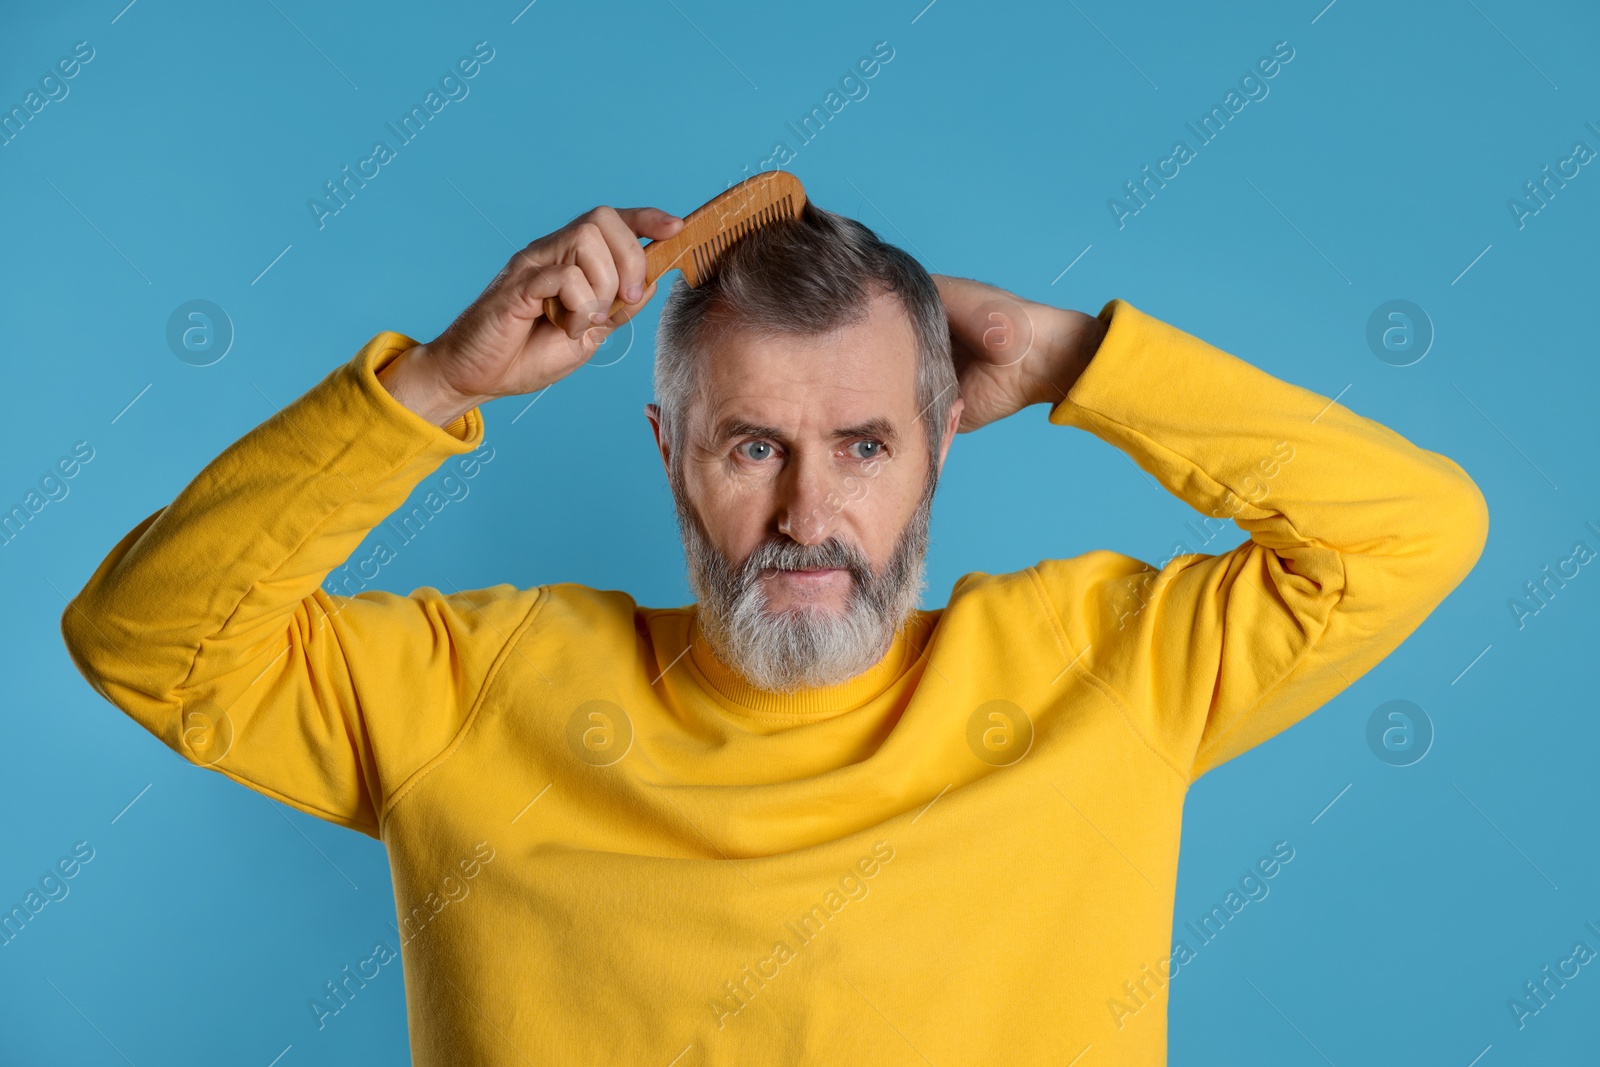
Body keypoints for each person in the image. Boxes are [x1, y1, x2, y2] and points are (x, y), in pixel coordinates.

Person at [61, 199, 1488, 1065]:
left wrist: (1081, 361)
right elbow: (145, 637)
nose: (811, 509)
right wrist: (436, 381)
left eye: (865, 445)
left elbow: (1413, 532)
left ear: (941, 449)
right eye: (752, 447)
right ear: (668, 452)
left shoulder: (1103, 671)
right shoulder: (474, 692)